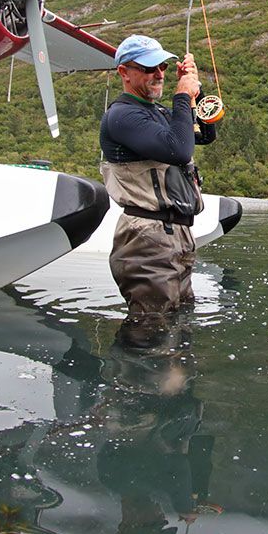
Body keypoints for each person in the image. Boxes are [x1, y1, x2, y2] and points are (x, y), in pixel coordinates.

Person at [99, 34, 217, 340]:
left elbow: (203, 134)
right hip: (147, 239)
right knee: (152, 331)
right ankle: (135, 385)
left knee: (179, 323)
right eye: (150, 67)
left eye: (162, 66)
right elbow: (180, 150)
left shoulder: (159, 113)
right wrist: (181, 96)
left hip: (176, 237)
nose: (159, 74)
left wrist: (196, 90)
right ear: (124, 72)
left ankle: (171, 382)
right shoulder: (123, 115)